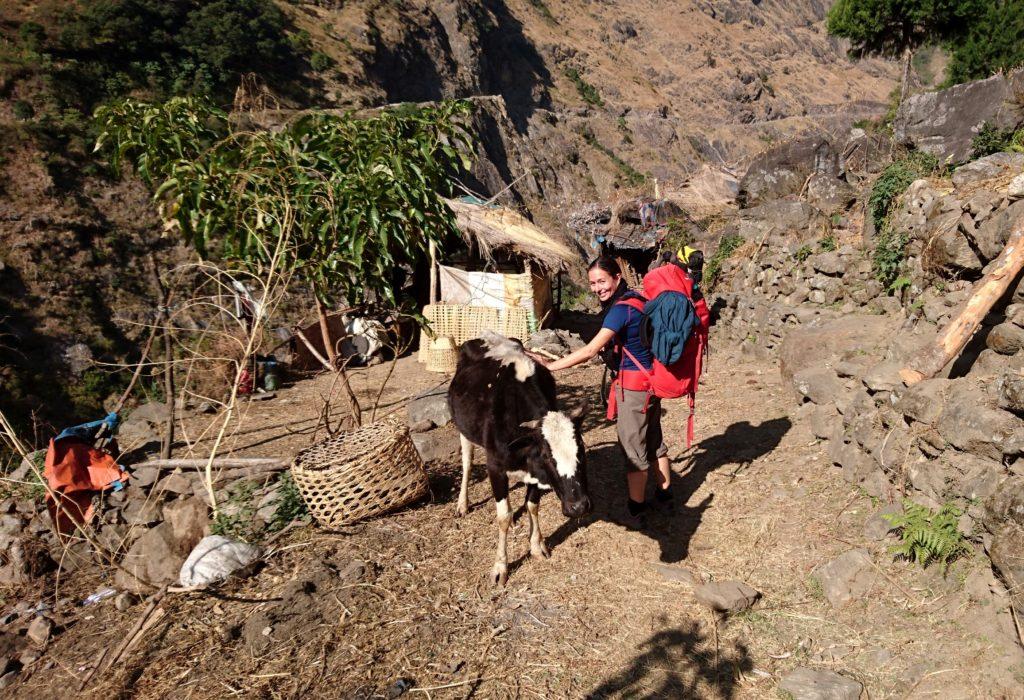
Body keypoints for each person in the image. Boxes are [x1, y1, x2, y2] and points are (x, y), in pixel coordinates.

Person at [542, 256, 672, 526]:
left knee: (633, 449)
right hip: (652, 380)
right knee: (655, 441)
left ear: (617, 277)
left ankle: (636, 509)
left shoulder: (619, 310)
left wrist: (551, 367)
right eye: (592, 283)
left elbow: (589, 350)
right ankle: (666, 495)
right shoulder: (638, 299)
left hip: (633, 387)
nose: (597, 288)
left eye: (602, 281)